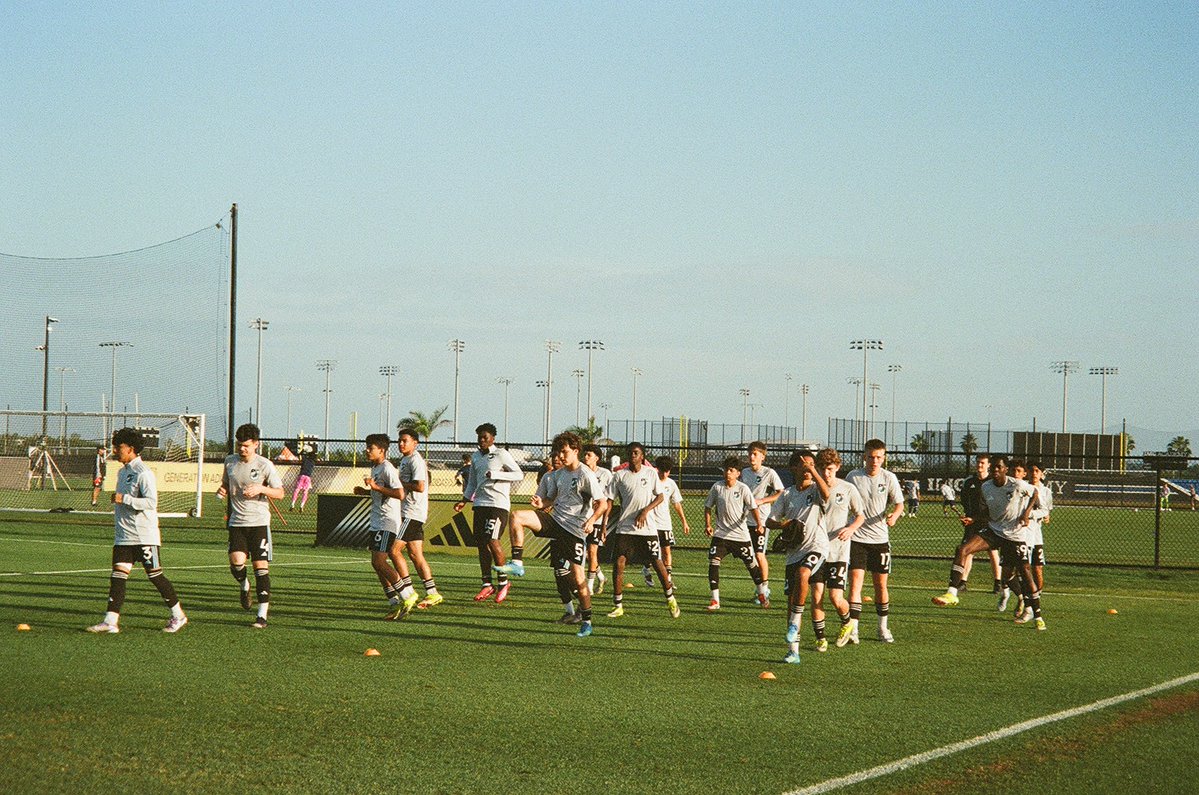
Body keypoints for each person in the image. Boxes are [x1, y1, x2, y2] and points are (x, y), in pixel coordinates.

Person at [87, 427, 187, 634]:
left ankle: (178, 615)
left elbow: (151, 502)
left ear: (131, 448)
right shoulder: (123, 472)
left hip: (144, 536)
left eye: (119, 446)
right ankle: (110, 621)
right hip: (124, 536)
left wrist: (125, 499)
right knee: (117, 576)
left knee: (155, 576)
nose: (115, 450)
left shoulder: (144, 473)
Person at [510, 432, 608, 636]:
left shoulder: (585, 474)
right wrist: (541, 503)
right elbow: (551, 500)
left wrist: (591, 521)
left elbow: (603, 503)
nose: (561, 456)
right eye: (558, 452)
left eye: (564, 452)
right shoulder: (560, 474)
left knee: (578, 578)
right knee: (517, 516)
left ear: (575, 451)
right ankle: (517, 563)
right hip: (556, 522)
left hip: (574, 531)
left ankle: (587, 620)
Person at [932, 455, 1046, 631]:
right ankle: (952, 593)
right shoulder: (986, 487)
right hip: (994, 530)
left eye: (999, 467)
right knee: (963, 549)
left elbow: (1035, 493)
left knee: (1021, 572)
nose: (995, 470)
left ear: (1005, 469)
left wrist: (1025, 513)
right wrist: (973, 518)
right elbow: (986, 512)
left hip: (1014, 535)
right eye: (993, 467)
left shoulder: (1016, 484)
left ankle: (1036, 614)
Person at [217, 423, 284, 629]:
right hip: (237, 522)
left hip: (259, 523)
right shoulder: (230, 462)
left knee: (260, 568)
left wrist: (261, 488)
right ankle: (244, 585)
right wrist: (222, 491)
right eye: (239, 445)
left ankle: (262, 615)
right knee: (237, 564)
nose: (242, 449)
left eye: (246, 445)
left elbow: (280, 493)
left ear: (256, 444)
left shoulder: (265, 465)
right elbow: (226, 484)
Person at [837, 439, 903, 646]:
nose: (874, 461)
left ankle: (882, 627)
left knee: (880, 585)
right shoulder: (853, 477)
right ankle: (853, 629)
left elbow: (900, 504)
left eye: (879, 457)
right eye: (871, 457)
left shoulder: (889, 477)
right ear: (864, 457)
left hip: (880, 539)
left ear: (884, 458)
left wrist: (894, 516)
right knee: (855, 583)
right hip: (857, 538)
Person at [767, 450, 830, 663]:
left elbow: (827, 494)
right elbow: (770, 520)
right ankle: (793, 652)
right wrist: (783, 524)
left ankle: (795, 623)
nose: (808, 468)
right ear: (794, 468)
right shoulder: (786, 494)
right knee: (791, 600)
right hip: (794, 552)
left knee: (804, 574)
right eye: (804, 464)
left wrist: (814, 470)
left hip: (817, 546)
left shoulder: (816, 489)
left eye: (811, 464)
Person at [605, 443, 679, 619]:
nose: (632, 455)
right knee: (619, 563)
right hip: (625, 527)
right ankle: (618, 605)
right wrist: (604, 522)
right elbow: (609, 499)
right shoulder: (619, 475)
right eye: (630, 453)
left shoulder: (650, 473)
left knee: (656, 561)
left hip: (647, 528)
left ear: (642, 456)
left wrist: (645, 511)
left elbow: (661, 497)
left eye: (636, 453)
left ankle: (670, 598)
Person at [455, 423, 524, 602]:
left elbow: (518, 474)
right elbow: (472, 482)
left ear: (493, 438)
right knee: (481, 544)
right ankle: (487, 584)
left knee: (492, 540)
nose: (482, 440)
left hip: (498, 505)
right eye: (479, 437)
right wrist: (464, 500)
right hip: (479, 504)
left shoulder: (501, 454)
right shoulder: (476, 457)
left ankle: (503, 582)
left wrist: (496, 474)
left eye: (485, 437)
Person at [354, 433, 419, 619]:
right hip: (376, 522)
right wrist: (366, 492)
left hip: (387, 522)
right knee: (376, 564)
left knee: (379, 561)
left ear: (381, 450)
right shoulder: (375, 468)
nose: (367, 450)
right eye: (367, 447)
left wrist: (376, 488)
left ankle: (407, 595)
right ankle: (393, 602)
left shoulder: (387, 468)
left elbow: (400, 494)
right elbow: (381, 494)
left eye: (371, 448)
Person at [808, 447, 864, 652]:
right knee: (816, 595)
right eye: (822, 469)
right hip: (816, 549)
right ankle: (820, 639)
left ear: (838, 467)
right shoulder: (812, 488)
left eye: (830, 469)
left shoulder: (847, 488)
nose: (826, 473)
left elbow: (860, 516)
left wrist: (850, 528)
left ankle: (847, 622)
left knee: (835, 597)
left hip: (839, 551)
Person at [704, 456, 768, 611]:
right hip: (721, 535)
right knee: (713, 563)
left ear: (738, 473)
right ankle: (715, 600)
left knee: (752, 565)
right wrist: (708, 525)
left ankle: (761, 593)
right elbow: (708, 507)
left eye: (732, 470)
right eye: (726, 470)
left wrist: (759, 524)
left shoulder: (742, 489)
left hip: (740, 536)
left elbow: (753, 508)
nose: (728, 473)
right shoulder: (717, 487)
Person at [396, 428, 442, 609]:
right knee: (416, 555)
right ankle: (433, 593)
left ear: (415, 443)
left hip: (412, 512)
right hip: (410, 512)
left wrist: (399, 483)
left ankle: (408, 591)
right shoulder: (405, 460)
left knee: (394, 551)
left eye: (405, 440)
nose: (401, 444)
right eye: (399, 440)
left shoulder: (415, 460)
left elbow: (420, 486)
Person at [741, 441, 784, 599]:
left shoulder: (769, 473)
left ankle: (765, 588)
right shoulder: (744, 473)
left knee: (760, 554)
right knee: (750, 556)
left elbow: (781, 492)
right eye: (750, 454)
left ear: (762, 457)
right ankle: (758, 587)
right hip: (746, 521)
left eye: (755, 454)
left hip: (762, 520)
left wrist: (763, 501)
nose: (752, 457)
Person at [955, 454, 1002, 593]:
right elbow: (964, 501)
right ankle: (963, 582)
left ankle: (997, 583)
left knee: (992, 552)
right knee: (968, 552)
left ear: (988, 465)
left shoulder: (993, 481)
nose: (979, 465)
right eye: (978, 462)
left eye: (982, 463)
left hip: (988, 522)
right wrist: (967, 516)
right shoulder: (969, 481)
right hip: (972, 522)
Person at [647, 455, 690, 586]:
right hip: (651, 523)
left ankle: (668, 579)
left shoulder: (671, 484)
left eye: (668, 471)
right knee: (650, 551)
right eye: (662, 470)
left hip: (665, 523)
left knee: (666, 550)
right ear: (657, 469)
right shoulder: (650, 481)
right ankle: (646, 570)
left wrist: (684, 521)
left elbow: (676, 503)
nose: (665, 474)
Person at [582, 443, 614, 596]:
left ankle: (589, 585)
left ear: (597, 458)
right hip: (582, 517)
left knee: (592, 551)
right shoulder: (581, 472)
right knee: (586, 554)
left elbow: (608, 500)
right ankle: (601, 577)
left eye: (589, 455)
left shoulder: (605, 474)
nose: (586, 457)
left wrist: (604, 524)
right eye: (585, 454)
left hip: (597, 519)